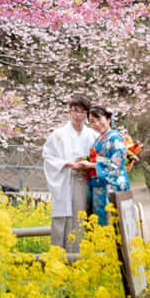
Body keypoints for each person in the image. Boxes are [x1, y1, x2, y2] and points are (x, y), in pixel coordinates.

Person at [41, 96, 97, 251]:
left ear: (87, 114)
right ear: (69, 112)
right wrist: (65, 164)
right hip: (65, 178)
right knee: (63, 217)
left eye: (82, 112)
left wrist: (88, 165)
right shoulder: (58, 134)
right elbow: (48, 156)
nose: (78, 115)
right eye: (75, 111)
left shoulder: (93, 135)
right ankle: (59, 254)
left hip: (84, 180)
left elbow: (99, 158)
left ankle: (78, 255)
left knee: (80, 216)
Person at [85, 105, 131, 225]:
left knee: (112, 223)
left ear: (108, 119)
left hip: (110, 187)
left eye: (99, 119)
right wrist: (93, 162)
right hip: (99, 186)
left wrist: (92, 165)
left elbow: (116, 163)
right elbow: (103, 160)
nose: (96, 124)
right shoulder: (99, 139)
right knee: (100, 222)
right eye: (92, 122)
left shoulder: (115, 138)